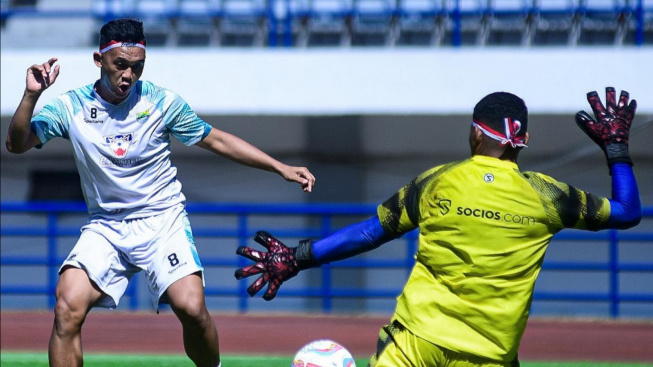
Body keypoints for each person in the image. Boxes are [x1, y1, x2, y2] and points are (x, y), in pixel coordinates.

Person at [235, 88, 641, 366]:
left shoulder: (437, 181)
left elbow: (371, 231)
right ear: (525, 139)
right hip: (490, 353)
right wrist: (616, 149)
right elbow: (626, 212)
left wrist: (299, 257)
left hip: (416, 341)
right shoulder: (549, 196)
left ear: (474, 133)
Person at [6, 18, 315, 367]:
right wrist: (32, 95)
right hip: (106, 226)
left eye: (137, 67)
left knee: (192, 308)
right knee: (66, 306)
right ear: (99, 60)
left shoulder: (161, 102)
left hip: (162, 221)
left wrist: (280, 167)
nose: (128, 75)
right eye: (120, 65)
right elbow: (17, 144)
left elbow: (216, 139)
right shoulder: (70, 107)